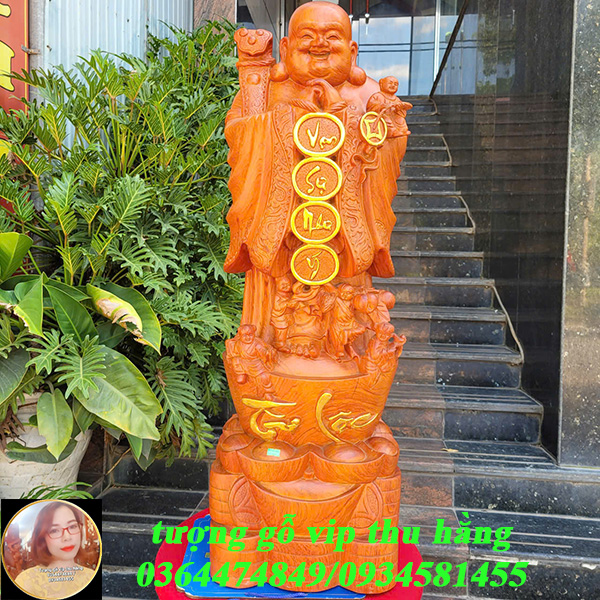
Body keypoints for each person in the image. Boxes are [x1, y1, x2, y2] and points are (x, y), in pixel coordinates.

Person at [224, 1, 410, 339]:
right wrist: (285, 122)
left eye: (332, 36)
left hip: (343, 235)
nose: (319, 44)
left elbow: (390, 150)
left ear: (352, 50)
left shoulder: (372, 95)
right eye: (307, 36)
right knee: (272, 320)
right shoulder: (261, 92)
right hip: (281, 235)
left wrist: (347, 122)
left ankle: (345, 344)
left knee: (348, 316)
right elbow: (238, 138)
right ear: (285, 48)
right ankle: (270, 343)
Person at [14, 502, 96, 599]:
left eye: (72, 526)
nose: (67, 537)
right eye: (54, 530)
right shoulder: (26, 581)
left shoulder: (90, 575)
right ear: (42, 538)